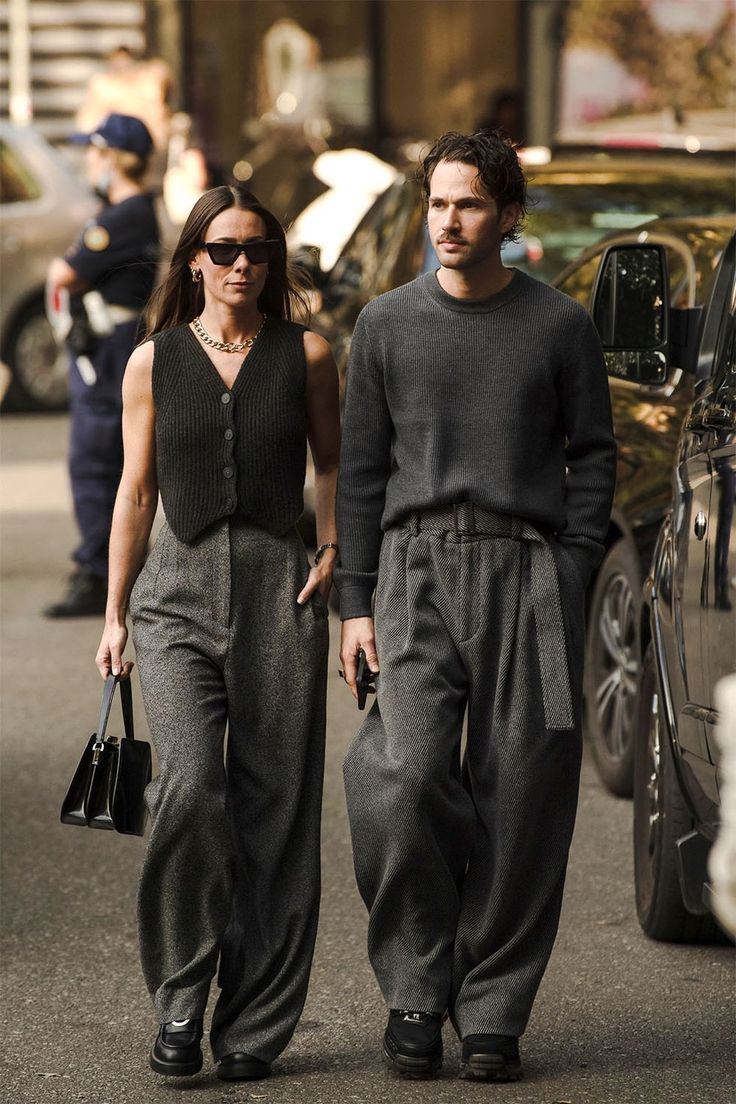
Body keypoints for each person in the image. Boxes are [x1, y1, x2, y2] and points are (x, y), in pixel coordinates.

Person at [335, 130, 617, 1082]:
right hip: (414, 568)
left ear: (506, 217)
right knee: (403, 774)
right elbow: (361, 475)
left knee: (527, 789)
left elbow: (594, 457)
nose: (448, 222)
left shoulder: (558, 325)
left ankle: (492, 1006)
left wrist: (573, 568)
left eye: (467, 205)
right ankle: (416, 985)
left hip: (530, 572)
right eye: (438, 203)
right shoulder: (385, 324)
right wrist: (355, 602)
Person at [94, 184, 340, 1082]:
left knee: (277, 808)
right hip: (175, 593)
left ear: (273, 263)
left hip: (283, 587)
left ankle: (255, 1023)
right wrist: (115, 611)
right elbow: (135, 491)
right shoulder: (152, 362)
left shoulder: (308, 353)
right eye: (225, 249)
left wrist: (333, 546)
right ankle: (183, 994)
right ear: (194, 257)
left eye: (258, 252)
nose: (243, 265)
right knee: (192, 787)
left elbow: (333, 461)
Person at [45, 113, 160, 618]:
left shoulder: (126, 214)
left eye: (95, 152)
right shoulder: (119, 211)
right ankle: (112, 564)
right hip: (108, 345)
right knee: (111, 458)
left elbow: (67, 272)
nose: (89, 162)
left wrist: (64, 270)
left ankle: (99, 570)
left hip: (111, 350)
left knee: (97, 460)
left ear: (114, 159)